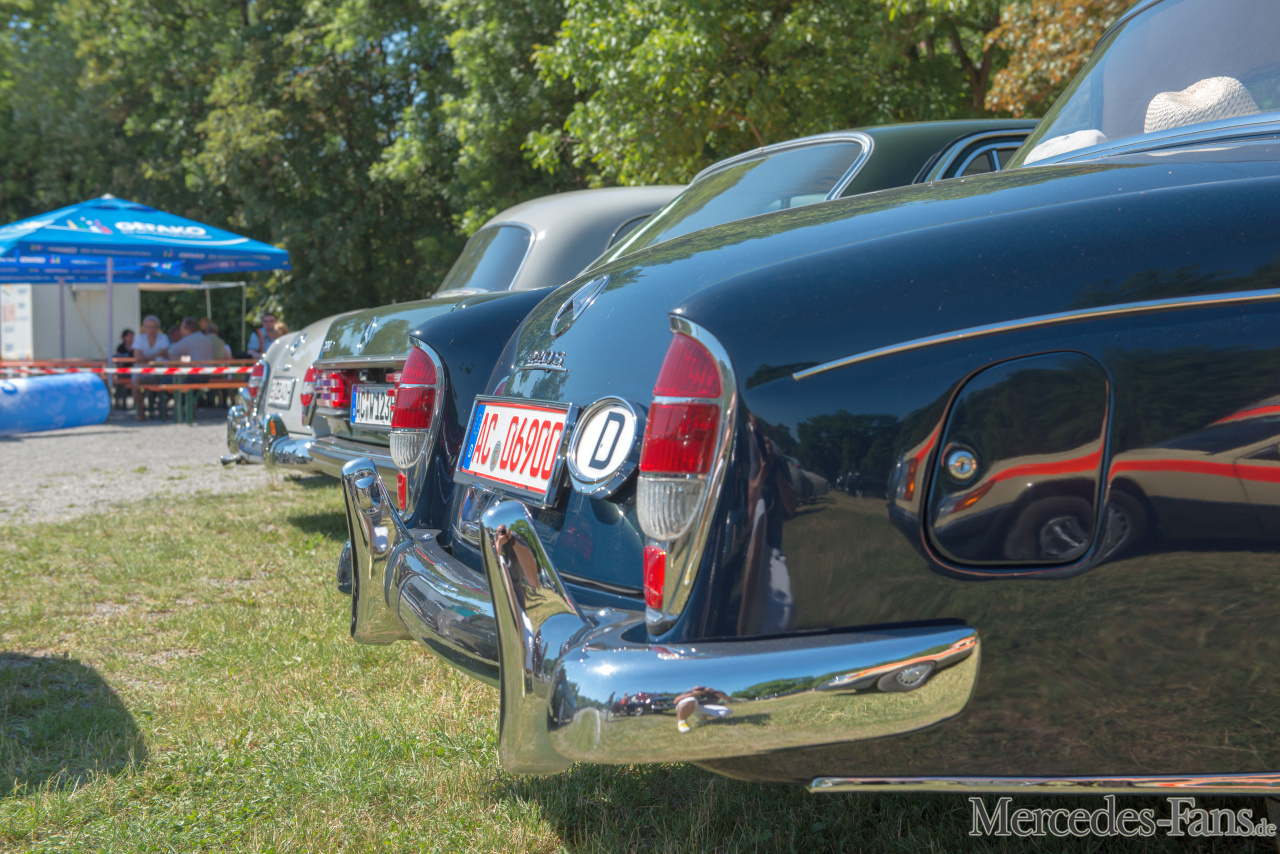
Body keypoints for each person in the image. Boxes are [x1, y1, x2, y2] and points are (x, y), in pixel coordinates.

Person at [131, 315, 170, 420]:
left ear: (158, 328)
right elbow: (138, 357)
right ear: (144, 327)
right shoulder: (139, 338)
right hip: (142, 372)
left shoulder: (163, 337)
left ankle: (163, 409)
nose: (150, 330)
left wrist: (147, 358)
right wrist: (155, 357)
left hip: (159, 373)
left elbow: (165, 353)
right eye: (148, 327)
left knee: (168, 382)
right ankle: (140, 411)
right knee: (135, 382)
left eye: (153, 327)